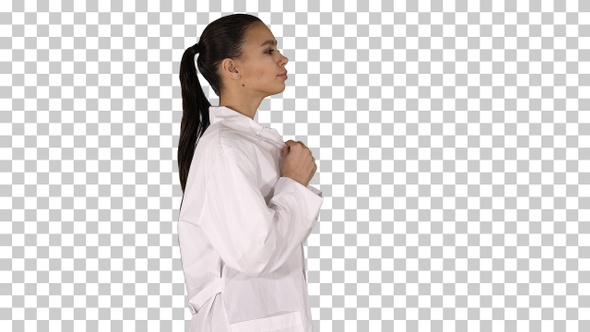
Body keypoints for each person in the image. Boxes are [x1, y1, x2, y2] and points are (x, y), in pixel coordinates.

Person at [177, 14, 324, 332]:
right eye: (269, 50)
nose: (282, 58)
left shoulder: (247, 144)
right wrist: (294, 184)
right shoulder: (225, 148)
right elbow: (256, 254)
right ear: (232, 68)